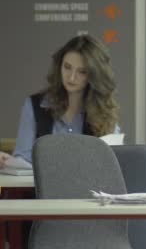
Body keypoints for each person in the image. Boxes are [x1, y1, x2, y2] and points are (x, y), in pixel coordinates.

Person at [0, 34, 120, 168]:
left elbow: (114, 163)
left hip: (89, 188)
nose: (72, 77)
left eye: (82, 72)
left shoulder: (103, 110)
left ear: (94, 75)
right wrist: (10, 162)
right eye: (67, 67)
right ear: (59, 66)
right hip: (42, 188)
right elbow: (23, 159)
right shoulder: (34, 106)